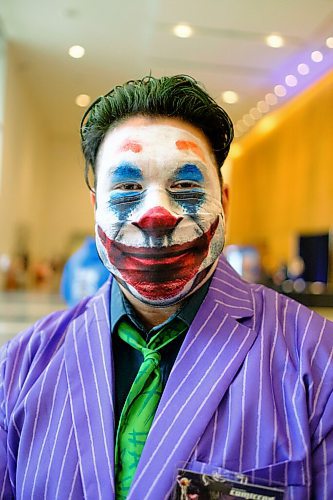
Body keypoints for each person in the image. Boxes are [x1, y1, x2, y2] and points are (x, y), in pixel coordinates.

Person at [0, 75, 332, 500]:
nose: (156, 214)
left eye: (187, 186)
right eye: (126, 189)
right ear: (95, 208)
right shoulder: (21, 366)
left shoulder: (318, 363)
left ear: (225, 203)